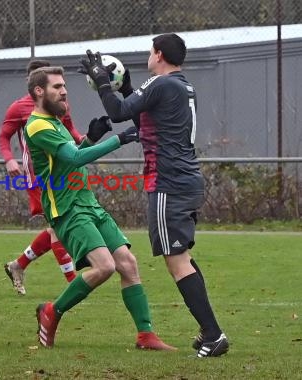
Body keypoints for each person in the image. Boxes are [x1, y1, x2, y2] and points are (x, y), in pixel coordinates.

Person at [81, 33, 229, 358]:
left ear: (158, 54)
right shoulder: (179, 85)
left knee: (176, 260)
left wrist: (103, 81)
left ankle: (214, 335)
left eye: (150, 51)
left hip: (168, 183)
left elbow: (118, 113)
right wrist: (125, 86)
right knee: (183, 257)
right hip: (185, 181)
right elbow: (140, 114)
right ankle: (209, 330)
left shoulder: (161, 83)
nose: (149, 56)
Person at [24, 66, 175, 351]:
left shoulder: (55, 121)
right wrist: (118, 139)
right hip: (68, 209)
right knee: (105, 267)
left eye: (64, 85)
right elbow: (75, 159)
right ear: (39, 92)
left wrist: (89, 138)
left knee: (128, 264)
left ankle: (146, 335)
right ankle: (51, 311)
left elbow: (68, 157)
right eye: (57, 86)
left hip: (87, 202)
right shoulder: (37, 125)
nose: (64, 91)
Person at [0, 60, 84, 295]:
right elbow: (3, 136)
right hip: (38, 176)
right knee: (59, 226)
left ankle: (18, 265)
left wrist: (84, 141)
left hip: (62, 173)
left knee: (57, 226)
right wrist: (9, 159)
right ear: (34, 84)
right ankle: (73, 282)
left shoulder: (59, 104)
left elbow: (70, 130)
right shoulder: (19, 108)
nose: (58, 90)